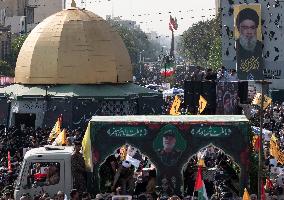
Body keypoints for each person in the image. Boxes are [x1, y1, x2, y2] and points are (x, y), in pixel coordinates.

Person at [235, 8, 264, 80]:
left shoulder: (260, 46)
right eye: (245, 28)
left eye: (252, 28)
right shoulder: (235, 46)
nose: (249, 32)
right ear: (238, 28)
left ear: (256, 29)